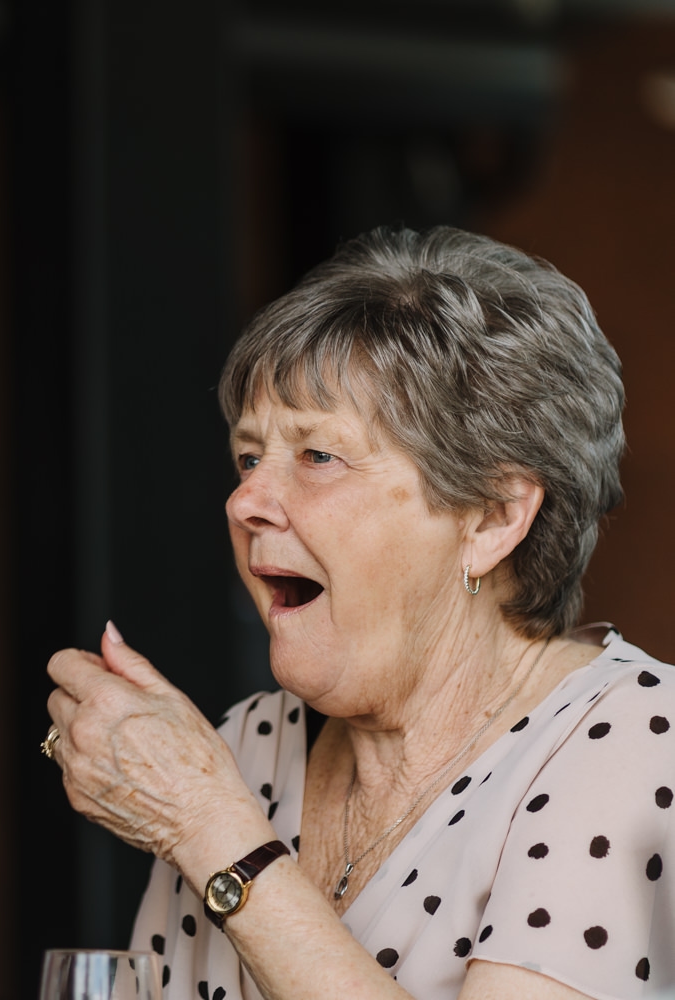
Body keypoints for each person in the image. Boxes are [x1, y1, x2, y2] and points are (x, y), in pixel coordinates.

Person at [44, 226, 672, 998]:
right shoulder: (246, 747)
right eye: (248, 457)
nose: (244, 501)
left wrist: (211, 829)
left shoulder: (637, 743)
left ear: (492, 517)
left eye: (317, 456)